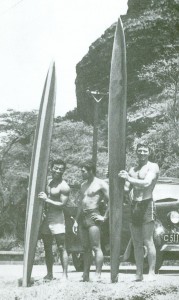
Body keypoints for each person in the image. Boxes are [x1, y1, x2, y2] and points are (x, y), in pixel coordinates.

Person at [118, 142, 159, 281]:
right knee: (136, 242)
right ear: (136, 152)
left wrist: (129, 178)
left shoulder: (153, 166)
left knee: (148, 240)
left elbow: (147, 183)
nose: (142, 153)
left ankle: (152, 273)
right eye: (139, 150)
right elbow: (125, 189)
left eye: (144, 151)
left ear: (149, 152)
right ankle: (139, 273)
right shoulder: (132, 169)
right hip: (134, 205)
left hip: (147, 203)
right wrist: (116, 176)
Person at [73, 161, 109, 282]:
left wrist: (104, 217)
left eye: (83, 171)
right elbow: (80, 204)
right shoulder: (83, 185)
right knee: (85, 248)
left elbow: (112, 200)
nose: (81, 173)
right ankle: (85, 274)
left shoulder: (101, 183)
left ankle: (98, 274)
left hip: (93, 215)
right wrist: (76, 221)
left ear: (91, 171)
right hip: (83, 216)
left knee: (96, 247)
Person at [38, 158, 70, 281]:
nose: (58, 170)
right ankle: (49, 273)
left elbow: (62, 205)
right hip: (47, 217)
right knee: (47, 246)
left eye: (61, 169)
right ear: (51, 168)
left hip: (57, 217)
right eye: (56, 168)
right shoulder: (48, 182)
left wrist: (47, 200)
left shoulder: (64, 186)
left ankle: (65, 275)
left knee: (61, 246)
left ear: (64, 171)